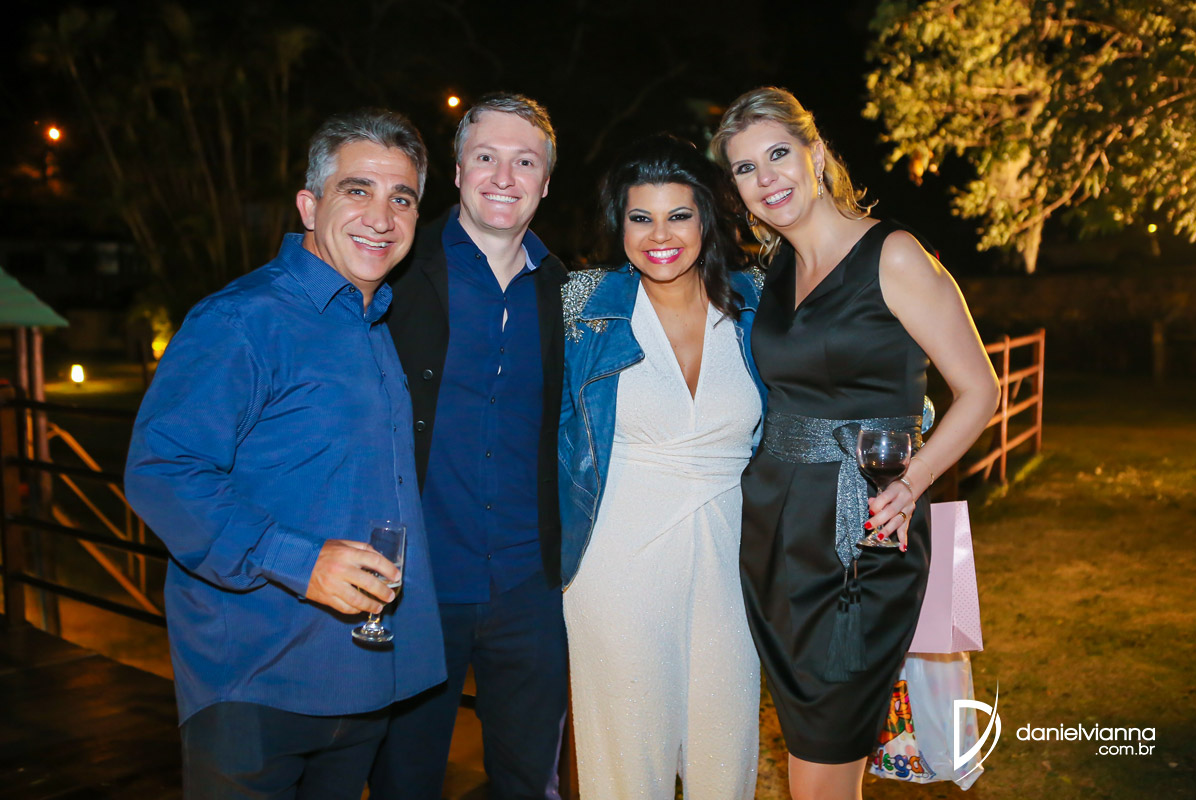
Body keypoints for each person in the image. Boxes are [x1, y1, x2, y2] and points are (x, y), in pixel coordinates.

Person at [124, 109, 446, 799]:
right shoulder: (243, 319)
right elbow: (163, 471)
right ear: (309, 205)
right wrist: (300, 561)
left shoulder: (374, 322)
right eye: (357, 190)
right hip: (255, 680)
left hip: (359, 682)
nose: (381, 217)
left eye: (402, 198)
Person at [710, 87, 1001, 800]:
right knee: (815, 760)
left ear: (816, 154)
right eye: (745, 168)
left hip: (862, 541)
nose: (766, 178)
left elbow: (980, 390)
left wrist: (913, 480)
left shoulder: (892, 255)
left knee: (821, 763)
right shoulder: (776, 269)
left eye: (778, 154)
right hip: (777, 540)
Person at [371, 93, 569, 800]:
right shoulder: (393, 271)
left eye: (525, 162)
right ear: (457, 172)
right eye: (486, 157)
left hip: (532, 590)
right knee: (404, 782)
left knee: (530, 785)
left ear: (546, 181)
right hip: (416, 588)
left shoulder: (569, 293)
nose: (504, 177)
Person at [558, 134, 766, 799]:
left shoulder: (759, 302)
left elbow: (839, 381)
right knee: (628, 767)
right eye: (640, 217)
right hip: (616, 563)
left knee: (725, 761)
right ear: (619, 224)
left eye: (679, 215)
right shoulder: (582, 305)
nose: (660, 236)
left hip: (734, 562)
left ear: (707, 218)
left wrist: (904, 427)